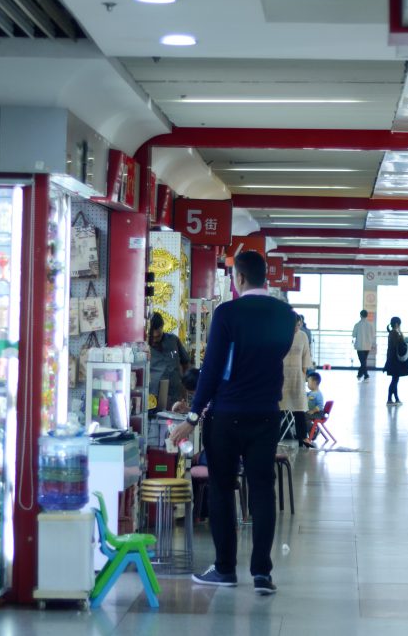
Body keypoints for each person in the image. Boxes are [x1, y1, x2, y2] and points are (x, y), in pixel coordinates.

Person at [168, 250, 296, 595]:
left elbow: (211, 369)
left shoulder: (227, 313)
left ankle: (225, 569)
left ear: (238, 279)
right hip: (266, 414)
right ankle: (261, 573)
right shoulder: (286, 315)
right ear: (264, 276)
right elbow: (277, 355)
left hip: (226, 415)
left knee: (223, 489)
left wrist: (193, 416)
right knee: (263, 490)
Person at [282, 314, 314, 449]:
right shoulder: (281, 334)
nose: (297, 327)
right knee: (279, 407)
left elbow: (306, 355)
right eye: (295, 325)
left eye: (299, 325)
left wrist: (304, 374)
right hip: (282, 375)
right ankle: (272, 436)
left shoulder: (302, 336)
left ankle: (303, 437)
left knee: (299, 408)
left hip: (297, 374)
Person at [148, 312, 190, 414]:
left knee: (175, 426)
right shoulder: (144, 347)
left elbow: (185, 363)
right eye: (152, 337)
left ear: (162, 327)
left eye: (158, 336)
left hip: (175, 394)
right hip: (154, 398)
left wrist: (185, 385)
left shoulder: (173, 340)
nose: (155, 340)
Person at [383, 316, 408, 406]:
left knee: (395, 380)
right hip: (394, 362)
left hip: (393, 361)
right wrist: (404, 341)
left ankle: (396, 399)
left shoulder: (393, 333)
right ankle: (389, 400)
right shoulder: (394, 334)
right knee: (394, 380)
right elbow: (397, 346)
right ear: (396, 324)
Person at [351, 310, 375, 380]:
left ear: (360, 315)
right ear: (367, 315)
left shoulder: (357, 325)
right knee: (363, 361)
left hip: (359, 346)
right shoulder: (370, 325)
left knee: (362, 361)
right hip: (368, 346)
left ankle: (365, 375)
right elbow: (373, 335)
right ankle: (360, 374)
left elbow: (354, 335)